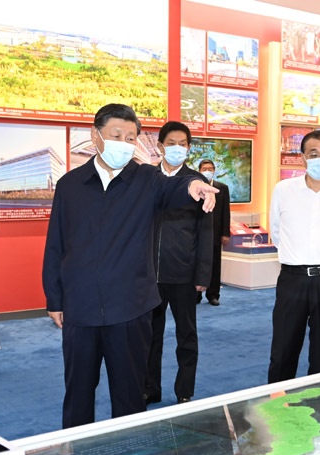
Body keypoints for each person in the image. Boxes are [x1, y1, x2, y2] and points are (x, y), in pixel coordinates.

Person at [42, 104, 219, 429]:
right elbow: (56, 244)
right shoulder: (70, 185)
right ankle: (76, 454)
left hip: (131, 309)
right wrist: (55, 298)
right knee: (78, 392)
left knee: (130, 396)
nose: (124, 144)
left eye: (130, 138)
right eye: (116, 136)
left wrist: (193, 185)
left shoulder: (146, 178)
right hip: (80, 308)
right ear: (96, 136)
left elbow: (175, 187)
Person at [268, 130, 320, 381]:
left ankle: (316, 400)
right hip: (292, 280)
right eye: (314, 154)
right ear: (303, 157)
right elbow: (277, 231)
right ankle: (277, 399)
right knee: (283, 350)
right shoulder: (284, 189)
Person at [145, 121, 213, 405]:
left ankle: (184, 390)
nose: (177, 148)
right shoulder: (147, 178)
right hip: (150, 275)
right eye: (171, 143)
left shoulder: (197, 182)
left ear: (189, 147)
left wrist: (203, 275)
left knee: (186, 335)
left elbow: (206, 232)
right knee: (150, 336)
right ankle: (150, 388)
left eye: (182, 143)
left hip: (184, 273)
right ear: (160, 146)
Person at [196, 159, 230, 306]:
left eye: (210, 169)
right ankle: (196, 295)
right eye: (204, 169)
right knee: (197, 264)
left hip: (215, 233)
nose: (208, 171)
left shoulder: (222, 188)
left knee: (215, 265)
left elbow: (225, 212)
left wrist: (225, 233)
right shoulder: (194, 188)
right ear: (199, 171)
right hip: (197, 234)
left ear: (214, 170)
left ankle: (213, 295)